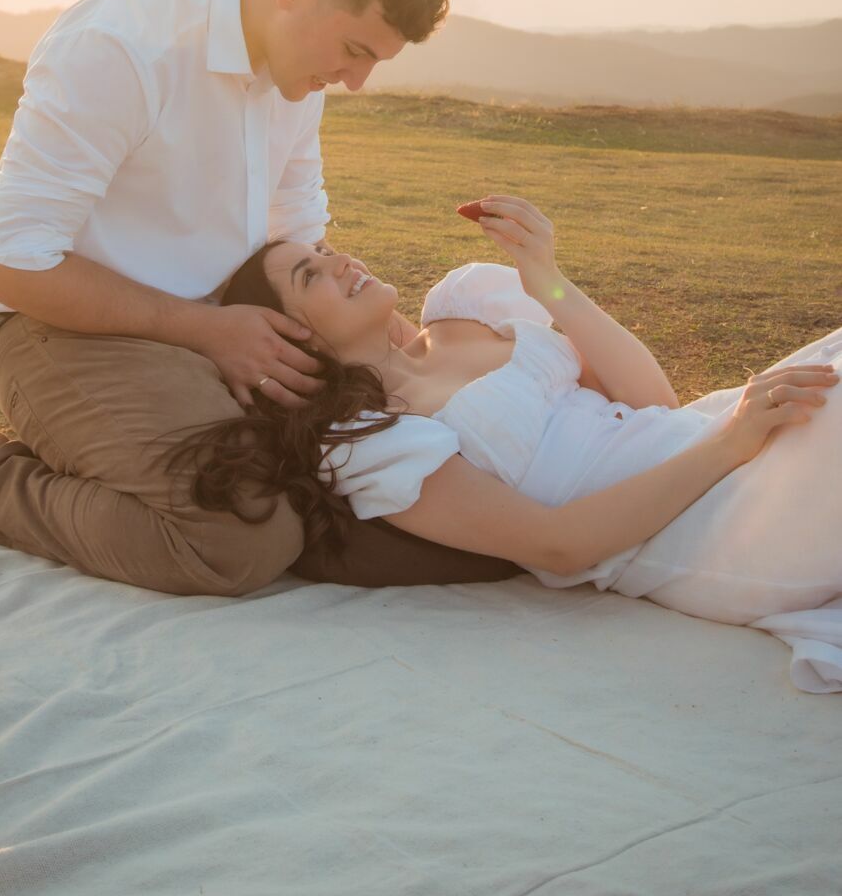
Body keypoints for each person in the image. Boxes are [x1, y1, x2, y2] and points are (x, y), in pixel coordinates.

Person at [0, 0, 523, 593]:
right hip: (61, 326)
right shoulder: (120, 43)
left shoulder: (293, 73)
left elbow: (297, 230)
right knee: (238, 538)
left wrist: (381, 338)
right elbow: (12, 267)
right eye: (354, 49)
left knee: (365, 491)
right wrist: (206, 333)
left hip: (226, 323)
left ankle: (123, 447)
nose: (357, 81)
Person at [162, 194, 842, 693]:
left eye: (323, 252)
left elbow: (652, 404)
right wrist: (732, 445)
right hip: (703, 533)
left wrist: (545, 274)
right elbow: (559, 546)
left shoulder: (466, 307)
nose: (339, 262)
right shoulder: (366, 443)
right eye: (309, 276)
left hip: (700, 437)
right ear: (293, 336)